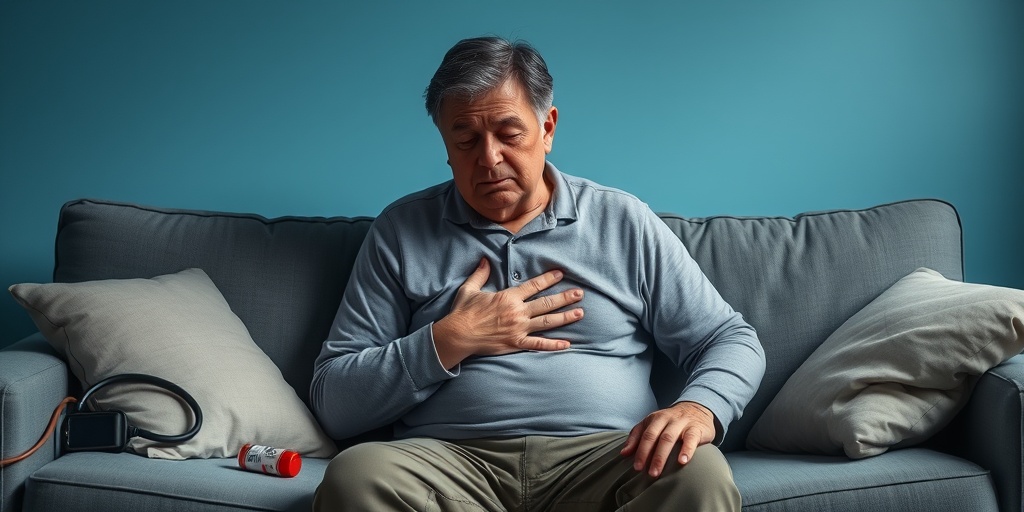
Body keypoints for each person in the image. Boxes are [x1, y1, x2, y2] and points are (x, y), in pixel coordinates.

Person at [310, 36, 765, 511]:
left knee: (700, 474)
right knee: (355, 476)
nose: (488, 158)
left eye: (509, 134)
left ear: (547, 128)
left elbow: (730, 338)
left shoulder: (622, 221)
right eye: (465, 139)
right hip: (451, 466)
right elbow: (334, 402)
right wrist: (449, 338)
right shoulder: (400, 231)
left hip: (607, 458)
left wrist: (699, 408)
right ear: (445, 145)